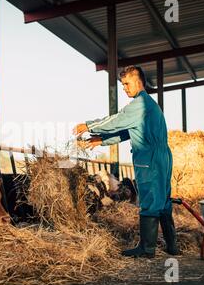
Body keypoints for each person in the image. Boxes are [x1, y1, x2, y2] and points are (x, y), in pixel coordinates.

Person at [73, 66, 179, 258]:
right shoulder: (149, 104)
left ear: (138, 82)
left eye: (127, 84)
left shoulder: (139, 104)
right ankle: (173, 246)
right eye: (123, 85)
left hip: (148, 157)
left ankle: (146, 249)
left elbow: (117, 120)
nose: (125, 88)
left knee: (148, 200)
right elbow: (126, 131)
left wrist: (89, 125)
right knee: (163, 200)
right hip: (162, 156)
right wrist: (102, 140)